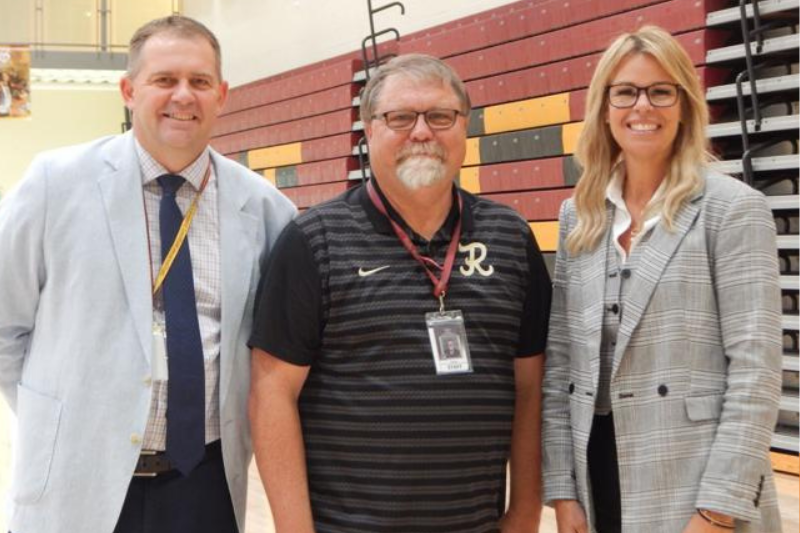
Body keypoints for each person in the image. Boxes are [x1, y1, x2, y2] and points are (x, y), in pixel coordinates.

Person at [0, 15, 295, 533]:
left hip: (203, 479)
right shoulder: (55, 183)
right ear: (128, 90)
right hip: (78, 474)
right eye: (165, 79)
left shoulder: (267, 209)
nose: (184, 95)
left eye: (200, 82)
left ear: (222, 95)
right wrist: (54, 418)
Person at [248, 53, 552, 533]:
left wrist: (525, 511)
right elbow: (271, 394)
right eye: (400, 117)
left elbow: (531, 389)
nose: (422, 132)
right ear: (368, 131)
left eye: (440, 116)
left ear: (464, 127)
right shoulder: (313, 241)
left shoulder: (511, 237)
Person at [541, 25, 783, 533]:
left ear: (684, 105)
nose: (642, 107)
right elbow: (560, 361)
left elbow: (755, 370)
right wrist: (562, 490)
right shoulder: (577, 216)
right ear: (604, 107)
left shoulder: (734, 210)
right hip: (598, 474)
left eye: (660, 91)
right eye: (625, 92)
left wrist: (718, 508)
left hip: (698, 479)